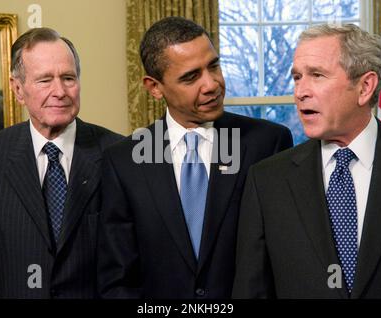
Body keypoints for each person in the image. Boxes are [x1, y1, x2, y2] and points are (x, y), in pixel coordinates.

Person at [97, 16, 292, 299]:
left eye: (213, 66)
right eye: (191, 77)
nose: (211, 84)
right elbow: (117, 278)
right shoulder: (123, 161)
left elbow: (284, 260)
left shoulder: (267, 144)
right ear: (154, 87)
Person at [232, 23, 381, 299]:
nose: (300, 91)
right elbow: (252, 290)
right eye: (296, 78)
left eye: (316, 75)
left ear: (365, 87)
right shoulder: (267, 180)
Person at [0, 27, 123, 298]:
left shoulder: (118, 154)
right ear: (18, 89)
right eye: (45, 80)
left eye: (68, 78)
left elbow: (132, 268)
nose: (59, 91)